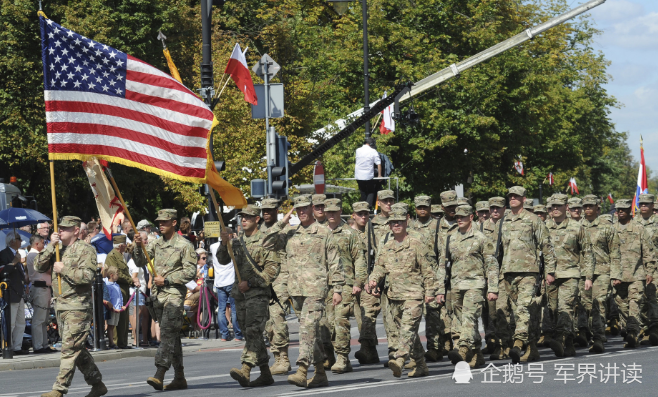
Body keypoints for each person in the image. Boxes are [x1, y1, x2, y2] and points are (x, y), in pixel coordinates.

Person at [35, 216, 106, 397]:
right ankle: (97, 383)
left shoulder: (86, 249)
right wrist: (50, 246)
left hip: (78, 306)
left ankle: (59, 389)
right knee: (76, 349)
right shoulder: (56, 249)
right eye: (60, 228)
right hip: (61, 306)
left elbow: (87, 277)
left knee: (68, 348)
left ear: (75, 230)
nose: (61, 231)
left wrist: (63, 269)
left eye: (65, 228)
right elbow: (38, 266)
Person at [281, 195, 343, 388]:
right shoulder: (291, 234)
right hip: (296, 290)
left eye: (305, 208)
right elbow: (269, 244)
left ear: (312, 208)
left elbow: (335, 262)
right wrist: (280, 223)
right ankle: (320, 373)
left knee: (307, 328)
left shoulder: (324, 232)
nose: (301, 212)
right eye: (298, 209)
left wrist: (338, 289)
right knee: (312, 333)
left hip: (316, 289)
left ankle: (301, 369)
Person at [133, 209, 197, 391]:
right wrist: (138, 246)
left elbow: (190, 272)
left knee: (168, 332)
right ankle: (179, 377)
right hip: (158, 297)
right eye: (159, 222)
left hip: (174, 295)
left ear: (174, 223)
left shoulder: (185, 245)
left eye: (165, 222)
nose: (161, 225)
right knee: (174, 336)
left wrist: (168, 280)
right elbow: (139, 262)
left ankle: (160, 372)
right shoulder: (156, 244)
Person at [369, 206, 435, 378]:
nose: (396, 224)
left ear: (406, 222)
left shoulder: (416, 243)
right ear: (389, 225)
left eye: (399, 221)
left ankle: (399, 359)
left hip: (413, 295)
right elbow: (379, 267)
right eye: (393, 222)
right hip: (394, 297)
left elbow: (428, 270)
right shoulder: (387, 246)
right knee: (408, 333)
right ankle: (420, 365)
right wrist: (373, 280)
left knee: (407, 329)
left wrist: (430, 292)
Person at [219, 205, 280, 387]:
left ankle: (245, 369)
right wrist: (224, 242)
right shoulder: (237, 242)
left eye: (248, 217)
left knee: (254, 331)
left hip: (258, 295)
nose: (244, 220)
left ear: (257, 220)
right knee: (250, 335)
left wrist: (252, 283)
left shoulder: (265, 240)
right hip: (240, 295)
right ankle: (265, 373)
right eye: (242, 217)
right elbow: (223, 260)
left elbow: (272, 270)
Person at [499, 186, 557, 364]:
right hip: (508, 272)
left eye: (516, 196)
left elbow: (546, 246)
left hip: (529, 272)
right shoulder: (504, 220)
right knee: (521, 312)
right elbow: (498, 250)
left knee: (523, 307)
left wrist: (550, 271)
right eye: (511, 196)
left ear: (524, 199)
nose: (513, 199)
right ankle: (532, 349)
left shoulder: (533, 220)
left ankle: (518, 343)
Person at [440, 205, 498, 369]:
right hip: (456, 285)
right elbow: (443, 265)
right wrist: (439, 289)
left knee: (469, 318)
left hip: (475, 284)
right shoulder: (451, 238)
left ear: (471, 217)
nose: (459, 219)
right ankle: (477, 354)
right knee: (461, 320)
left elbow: (491, 265)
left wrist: (493, 288)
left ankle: (463, 349)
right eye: (457, 216)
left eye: (463, 216)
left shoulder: (481, 238)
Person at [545, 194, 594, 357]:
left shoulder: (577, 227)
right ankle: (569, 342)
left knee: (564, 307)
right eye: (553, 206)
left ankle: (559, 338)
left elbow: (587, 253)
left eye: (559, 206)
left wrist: (588, 277)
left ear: (566, 207)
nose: (556, 209)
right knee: (553, 311)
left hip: (571, 274)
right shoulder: (544, 227)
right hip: (550, 276)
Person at [324, 198, 367, 374]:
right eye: (329, 211)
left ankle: (342, 357)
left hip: (346, 283)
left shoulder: (350, 234)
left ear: (341, 211)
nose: (332, 214)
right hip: (324, 285)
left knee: (341, 320)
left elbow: (359, 259)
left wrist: (358, 282)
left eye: (335, 211)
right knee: (326, 323)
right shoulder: (320, 233)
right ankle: (329, 355)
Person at [613, 199, 656, 348]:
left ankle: (633, 333)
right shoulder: (611, 230)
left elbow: (648, 252)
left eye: (624, 209)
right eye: (618, 209)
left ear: (629, 211)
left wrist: (649, 271)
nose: (621, 212)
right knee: (622, 306)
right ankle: (628, 329)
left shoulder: (639, 229)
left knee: (634, 303)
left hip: (637, 275)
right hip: (618, 276)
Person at [581, 194, 621, 353]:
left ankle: (598, 338)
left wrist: (616, 274)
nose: (588, 209)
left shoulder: (607, 227)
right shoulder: (577, 226)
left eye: (591, 206)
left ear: (598, 208)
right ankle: (590, 333)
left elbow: (615, 252)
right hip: (583, 272)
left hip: (603, 271)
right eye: (586, 206)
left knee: (599, 303)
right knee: (587, 306)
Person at [260, 198, 293, 375]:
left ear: (276, 211)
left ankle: (284, 358)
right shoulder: (259, 231)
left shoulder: (286, 230)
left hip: (281, 278)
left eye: (270, 210)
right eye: (264, 210)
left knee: (278, 317)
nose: (266, 213)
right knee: (267, 322)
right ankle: (276, 356)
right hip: (265, 280)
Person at [350, 201, 381, 365]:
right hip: (351, 283)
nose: (363, 216)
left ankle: (366, 349)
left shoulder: (373, 235)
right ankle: (371, 352)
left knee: (367, 315)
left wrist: (374, 281)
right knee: (360, 318)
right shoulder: (347, 234)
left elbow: (379, 259)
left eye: (366, 213)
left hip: (368, 283)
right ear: (353, 215)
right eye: (360, 214)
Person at [209, 228, 244, 342]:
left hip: (219, 281)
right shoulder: (232, 246)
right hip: (231, 280)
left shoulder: (213, 247)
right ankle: (238, 334)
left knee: (221, 309)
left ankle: (224, 334)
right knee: (234, 308)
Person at [0, 231, 28, 355]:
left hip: (19, 293)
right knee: (10, 323)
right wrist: (14, 262)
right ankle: (7, 346)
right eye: (19, 239)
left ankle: (17, 346)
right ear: (12, 241)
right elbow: (3, 272)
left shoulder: (17, 254)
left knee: (21, 322)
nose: (21, 241)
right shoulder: (3, 254)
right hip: (10, 293)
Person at [635, 194, 658, 345]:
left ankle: (655, 327)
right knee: (640, 298)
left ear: (652, 205)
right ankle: (644, 328)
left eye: (646, 204)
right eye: (641, 203)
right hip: (636, 266)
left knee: (653, 297)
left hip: (655, 265)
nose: (643, 206)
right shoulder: (633, 222)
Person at [26, 235, 54, 353]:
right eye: (43, 243)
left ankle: (43, 344)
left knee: (44, 319)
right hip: (40, 287)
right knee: (39, 319)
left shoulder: (35, 255)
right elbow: (46, 269)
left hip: (44, 288)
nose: (44, 245)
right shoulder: (34, 255)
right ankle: (38, 345)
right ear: (37, 244)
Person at [104, 234, 132, 349]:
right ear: (120, 245)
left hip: (123, 289)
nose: (126, 246)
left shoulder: (120, 255)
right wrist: (131, 280)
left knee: (124, 317)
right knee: (116, 317)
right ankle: (115, 342)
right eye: (124, 244)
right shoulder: (112, 256)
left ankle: (123, 342)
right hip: (116, 288)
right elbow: (116, 273)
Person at [354, 138, 382, 207]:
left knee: (363, 192)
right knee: (371, 192)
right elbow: (378, 163)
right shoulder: (373, 151)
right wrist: (379, 175)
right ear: (371, 144)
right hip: (368, 175)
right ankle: (367, 208)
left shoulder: (358, 150)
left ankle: (363, 208)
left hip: (359, 175)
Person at [128, 253, 149, 347]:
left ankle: (140, 339)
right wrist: (135, 281)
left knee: (136, 314)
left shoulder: (131, 262)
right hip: (138, 292)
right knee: (139, 314)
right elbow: (134, 276)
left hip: (136, 292)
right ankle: (137, 340)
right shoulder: (136, 263)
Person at [104, 266, 123, 349]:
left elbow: (120, 296)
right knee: (110, 326)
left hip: (117, 308)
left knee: (114, 325)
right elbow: (109, 298)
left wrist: (121, 305)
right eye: (117, 274)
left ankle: (112, 342)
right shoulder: (108, 286)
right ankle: (111, 342)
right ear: (111, 275)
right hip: (112, 309)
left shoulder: (117, 285)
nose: (118, 276)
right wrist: (112, 307)